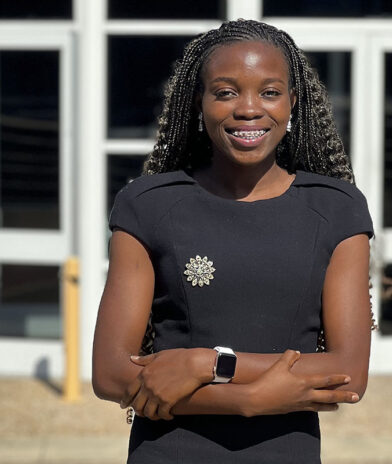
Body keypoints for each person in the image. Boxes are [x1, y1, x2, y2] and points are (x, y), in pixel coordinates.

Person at [92, 19, 375, 464]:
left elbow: (348, 372)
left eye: (269, 92)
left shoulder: (337, 210)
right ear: (198, 103)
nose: (248, 109)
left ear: (292, 103)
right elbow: (111, 375)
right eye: (225, 92)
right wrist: (251, 401)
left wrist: (206, 363)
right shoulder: (148, 206)